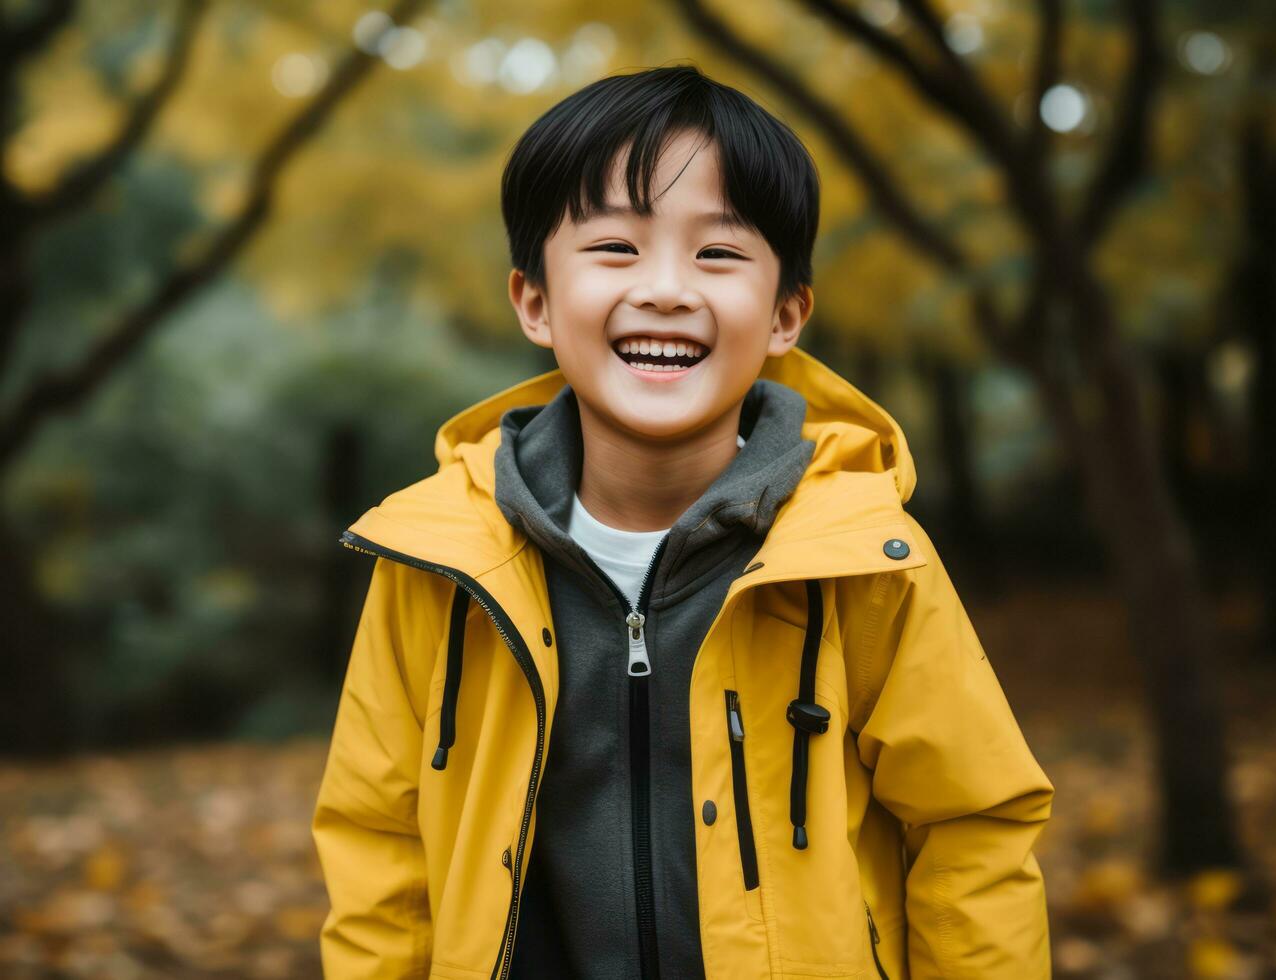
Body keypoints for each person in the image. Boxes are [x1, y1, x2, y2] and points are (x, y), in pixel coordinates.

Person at [312, 64, 1053, 980]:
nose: (664, 289)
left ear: (786, 315)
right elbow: (379, 844)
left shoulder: (864, 555)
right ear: (534, 302)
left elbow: (969, 826)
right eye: (615, 249)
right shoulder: (439, 560)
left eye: (718, 254)